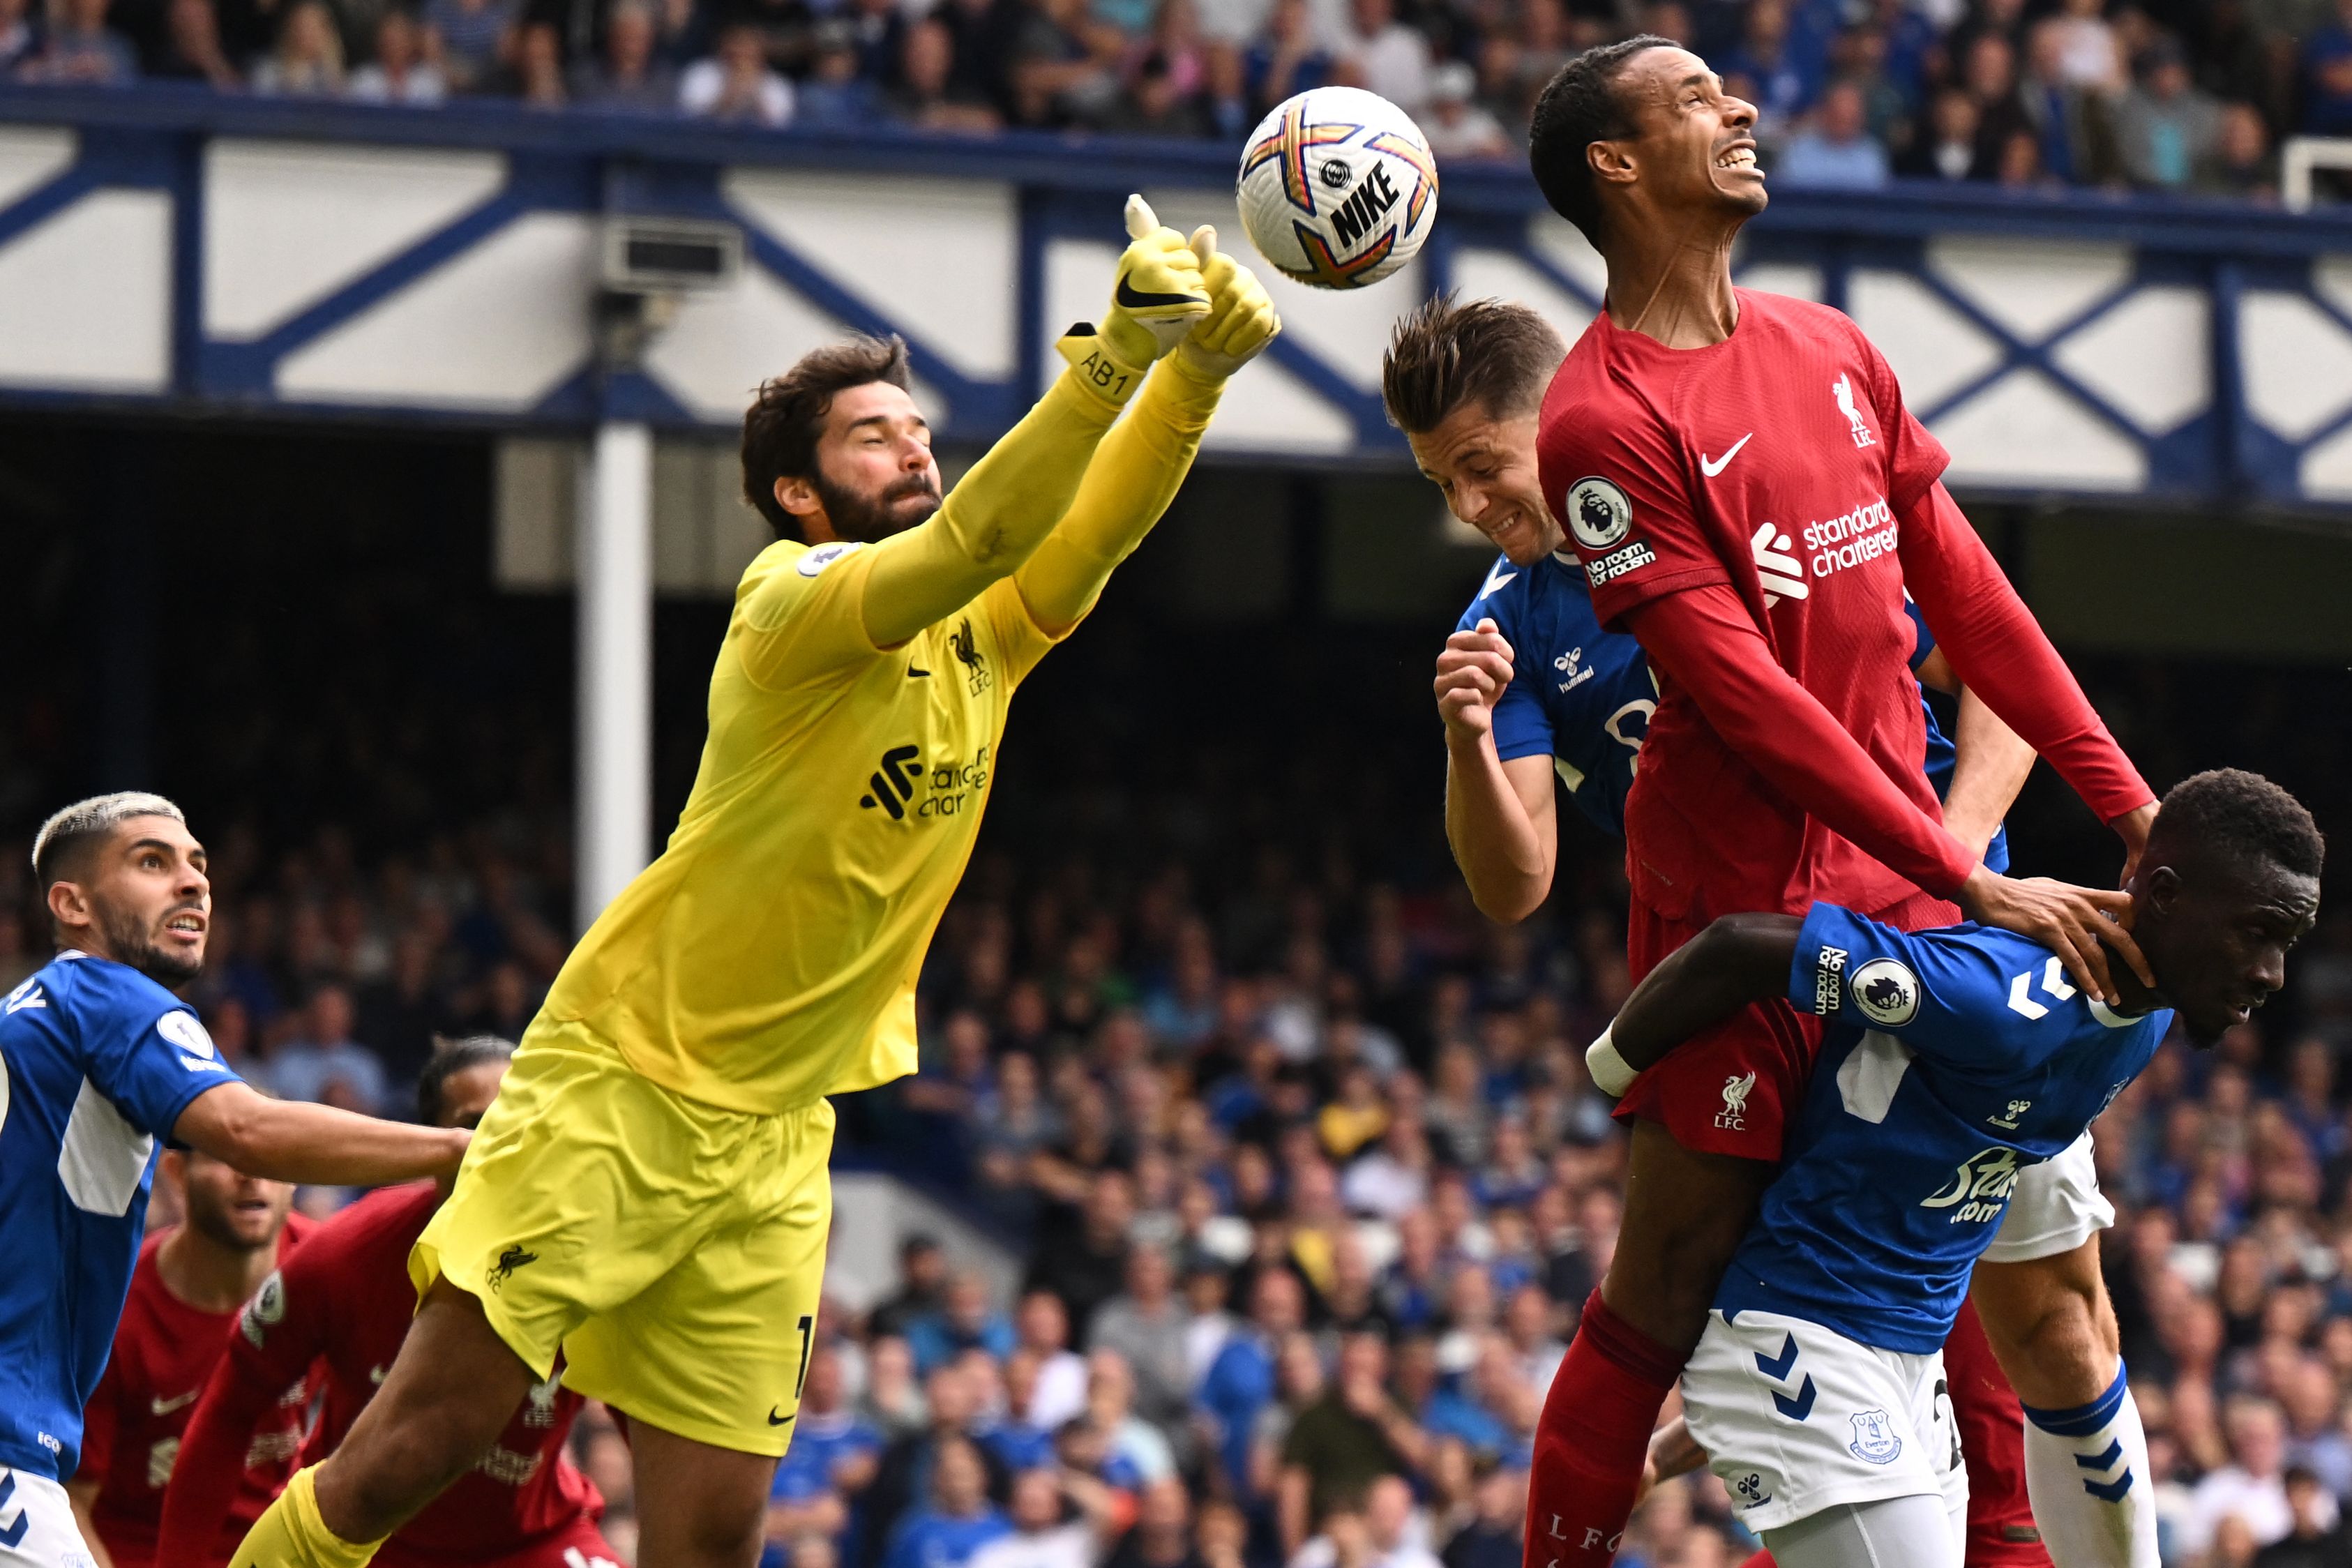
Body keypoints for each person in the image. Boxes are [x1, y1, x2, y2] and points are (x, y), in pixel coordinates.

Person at [227, 201, 1276, 1568]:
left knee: (714, 1542)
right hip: (621, 1088)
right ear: (801, 489)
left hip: (777, 1136)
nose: (913, 445)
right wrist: (1110, 358)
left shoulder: (983, 638)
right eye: (872, 435)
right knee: (401, 1461)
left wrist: (1185, 382)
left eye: (918, 427)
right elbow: (971, 541)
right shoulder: (792, 603)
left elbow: (1082, 538)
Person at [1511, 36, 2164, 1563]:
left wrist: (2129, 812)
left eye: (1728, 89)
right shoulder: (1603, 421)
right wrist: (1976, 873)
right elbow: (1742, 696)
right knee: (1667, 1280)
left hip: (1917, 882)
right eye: (1691, 98)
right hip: (1744, 895)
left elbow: (1978, 604)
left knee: (1991, 1268)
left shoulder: (1832, 348)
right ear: (1615, 166)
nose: (1738, 107)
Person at [1388, 289, 2112, 1568]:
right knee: (1671, 1281)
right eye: (1443, 485)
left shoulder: (1744, 474)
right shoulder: (1501, 627)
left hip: (1929, 933)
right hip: (1737, 954)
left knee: (2016, 1313)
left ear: (1550, 412)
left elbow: (1997, 673)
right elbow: (1514, 883)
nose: (1468, 507)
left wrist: (1947, 863)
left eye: (1479, 465)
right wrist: (1463, 742)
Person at [1588, 767, 2322, 1567]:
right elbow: (1738, 946)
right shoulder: (2001, 998)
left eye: (2286, 943)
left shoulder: (2139, 1024)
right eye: (2257, 933)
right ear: (2171, 895)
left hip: (1907, 1370)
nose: (2271, 974)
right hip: (1797, 1335)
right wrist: (1609, 1073)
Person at [0, 791, 467, 1567]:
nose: (192, 883)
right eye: (152, 862)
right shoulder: (105, 996)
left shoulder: (34, 1017)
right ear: (70, 903)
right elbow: (249, 1130)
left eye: (198, 865)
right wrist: (459, 1149)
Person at [158, 1036, 619, 1568]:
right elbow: (227, 1412)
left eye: (521, 1119)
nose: (504, 1141)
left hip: (530, 1546)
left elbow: (650, 1418)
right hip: (364, 1544)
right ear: (434, 1143)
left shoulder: (595, 1260)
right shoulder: (344, 1255)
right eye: (478, 1123)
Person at [70, 1146, 313, 1568]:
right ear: (177, 1173)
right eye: (227, 1156)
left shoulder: (325, 1268)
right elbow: (72, 1504)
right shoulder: (112, 1313)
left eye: (270, 1157)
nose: (252, 1175)